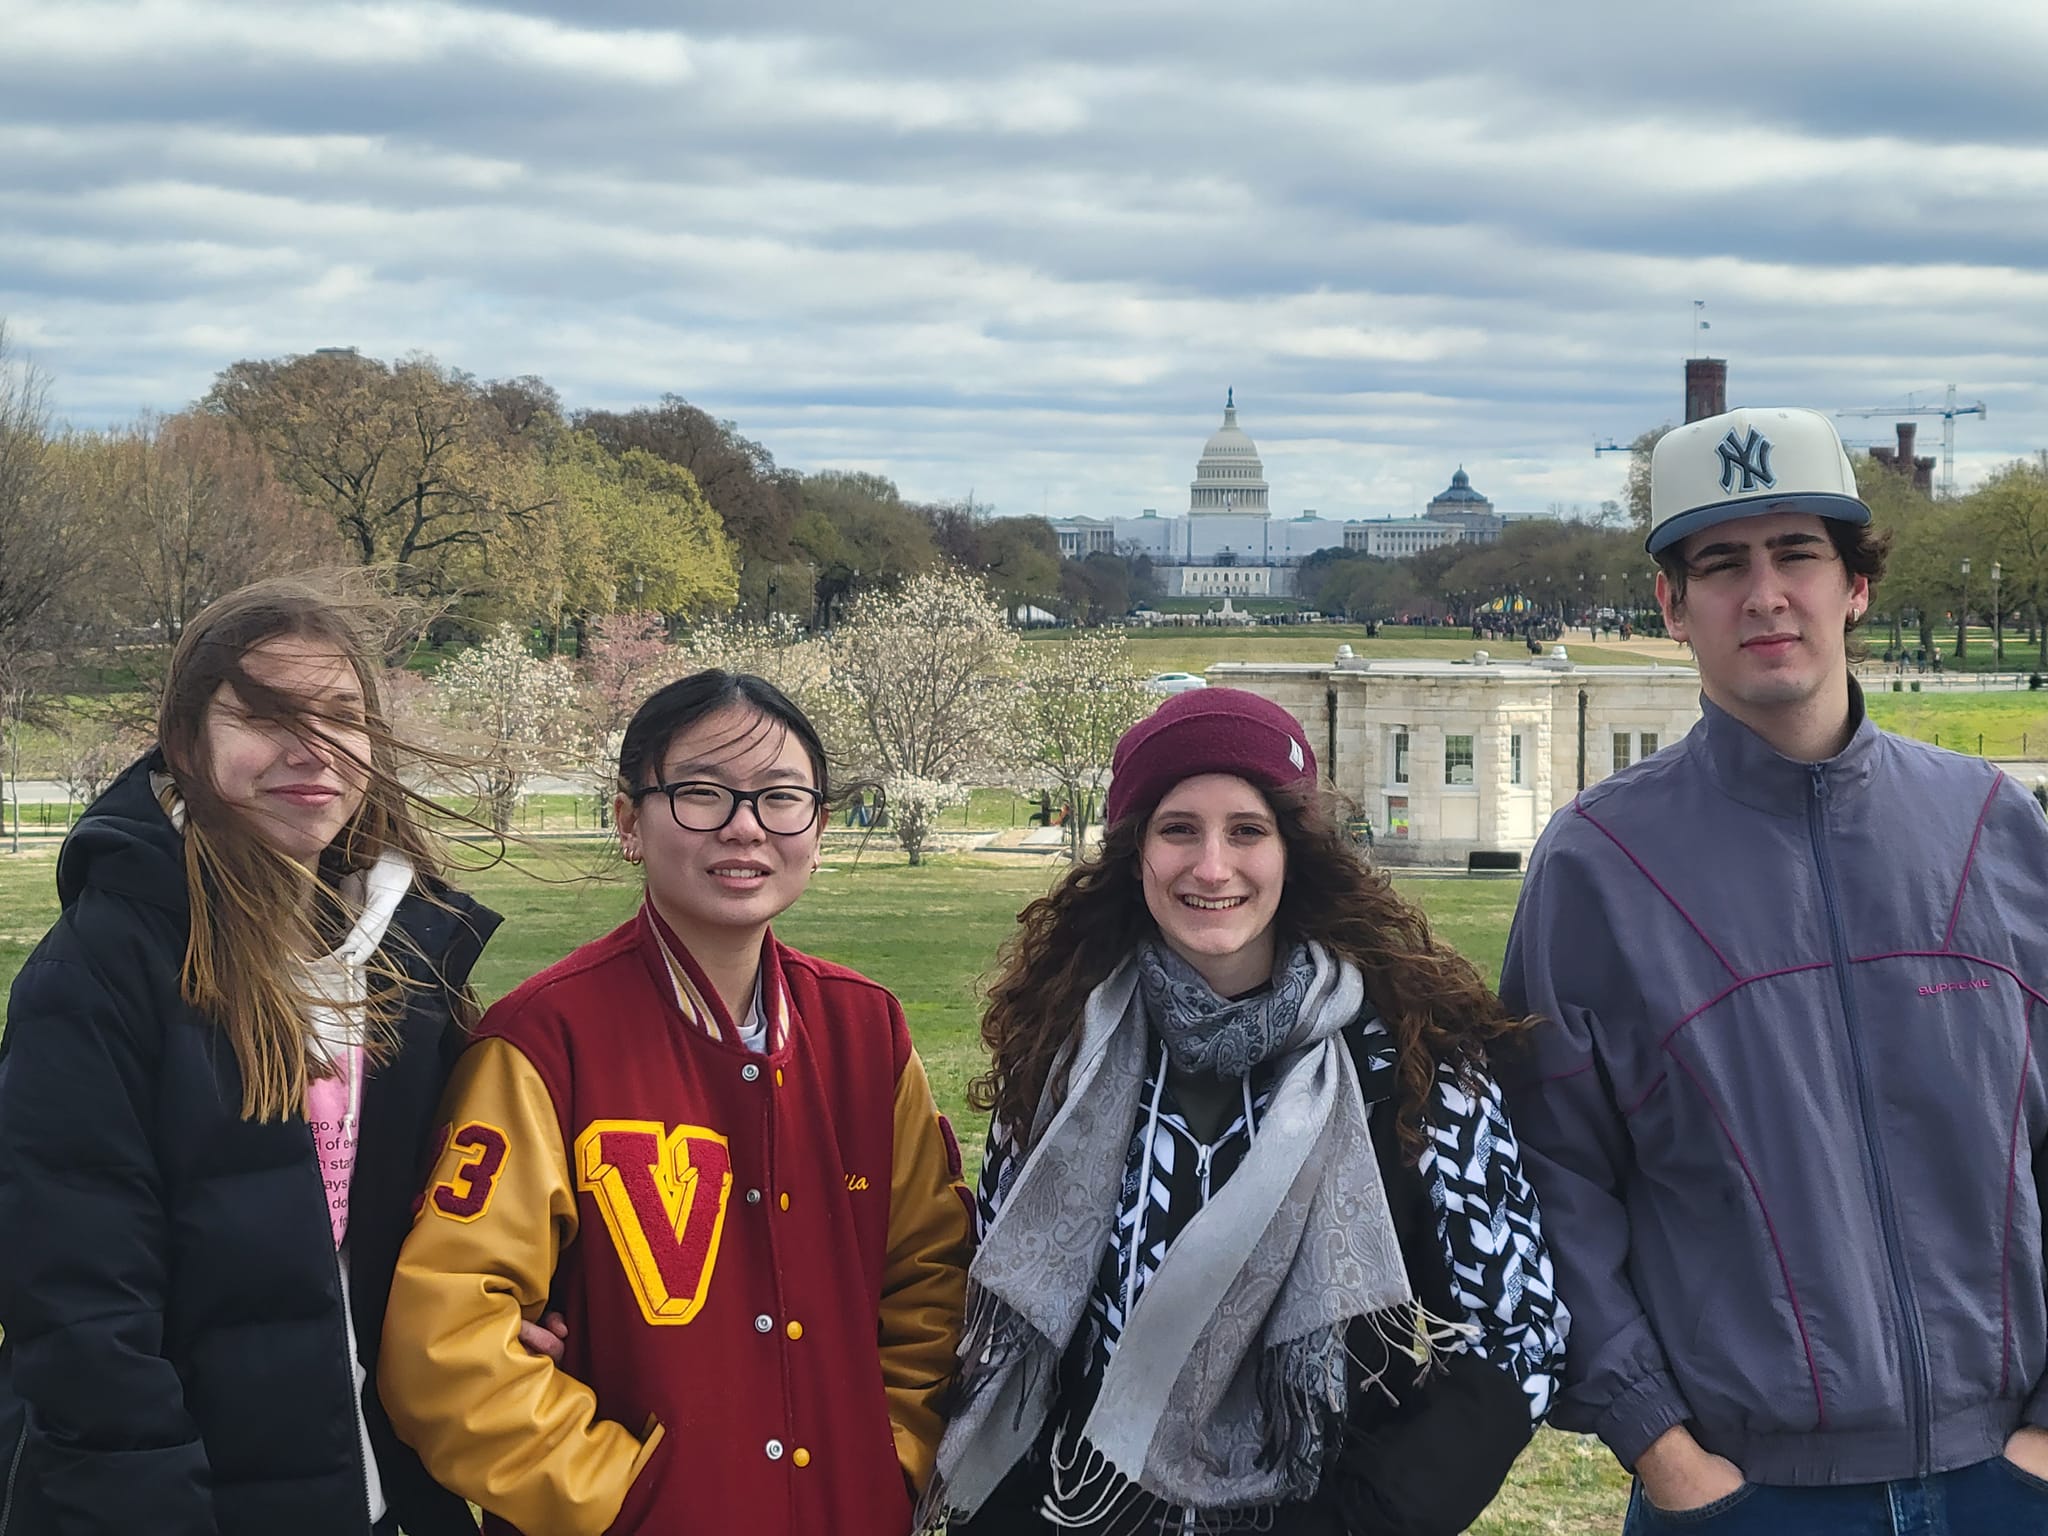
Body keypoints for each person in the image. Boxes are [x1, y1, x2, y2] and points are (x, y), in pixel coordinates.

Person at [1500, 406, 2048, 1533]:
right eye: (1720, 564)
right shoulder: (1598, 866)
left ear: (1853, 584)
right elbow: (1551, 1180)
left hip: (2011, 1476)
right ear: (1669, 604)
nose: (1763, 595)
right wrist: (1658, 1447)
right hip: (1748, 1495)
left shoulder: (1995, 828)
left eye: (1797, 553)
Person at [924, 688, 1564, 1535]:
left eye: (1247, 831)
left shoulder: (1415, 1065)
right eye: (1179, 828)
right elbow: (1011, 1315)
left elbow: (1515, 1339)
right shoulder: (1060, 1056)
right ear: (1136, 853)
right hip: (1072, 1509)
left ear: (1293, 851)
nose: (1212, 867)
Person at [380, 670, 973, 1536]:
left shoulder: (866, 1034)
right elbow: (447, 1347)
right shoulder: (545, 1041)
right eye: (701, 794)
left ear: (820, 826)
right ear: (629, 821)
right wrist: (626, 1496)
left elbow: (932, 1281)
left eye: (781, 798)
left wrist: (892, 1461)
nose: (744, 826)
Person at [0, 579, 501, 1536]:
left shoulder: (408, 962)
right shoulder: (105, 970)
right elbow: (81, 1317)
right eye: (267, 716)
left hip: (394, 1493)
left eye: (341, 716)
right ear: (187, 744)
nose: (312, 749)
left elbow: (440, 1232)